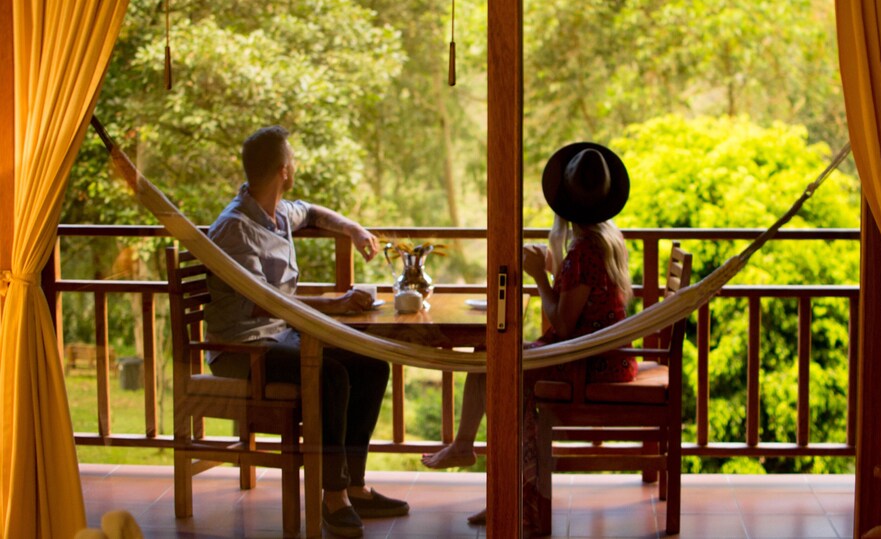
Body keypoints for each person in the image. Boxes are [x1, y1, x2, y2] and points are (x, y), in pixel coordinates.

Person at [204, 125, 408, 538]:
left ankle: (354, 485)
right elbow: (264, 301)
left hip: (280, 337)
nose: (295, 165)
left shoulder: (276, 213)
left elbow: (313, 212)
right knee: (330, 375)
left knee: (371, 362)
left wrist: (352, 228)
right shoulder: (235, 229)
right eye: (292, 159)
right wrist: (334, 305)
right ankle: (332, 496)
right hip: (243, 351)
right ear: (284, 169)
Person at [422, 142, 635, 533]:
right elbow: (576, 310)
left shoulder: (584, 252)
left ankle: (512, 493)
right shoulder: (604, 241)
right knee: (492, 352)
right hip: (602, 355)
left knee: (503, 367)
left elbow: (566, 325)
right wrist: (555, 273)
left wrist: (539, 276)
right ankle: (491, 473)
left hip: (589, 364)